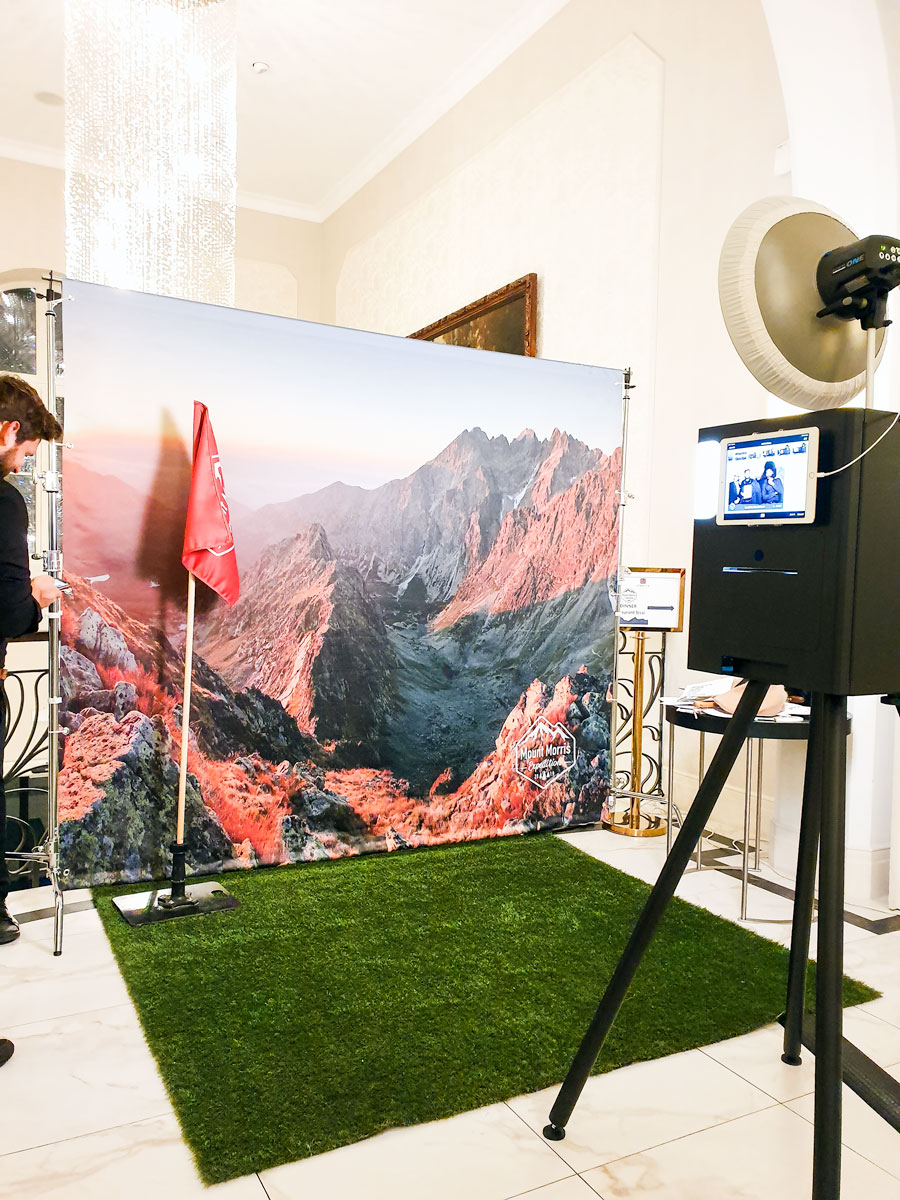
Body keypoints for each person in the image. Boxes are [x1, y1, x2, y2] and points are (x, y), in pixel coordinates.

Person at [0, 374, 63, 1069]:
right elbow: (10, 612)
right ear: (9, 432)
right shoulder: (2, 499)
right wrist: (37, 593)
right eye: (26, 451)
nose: (23, 466)